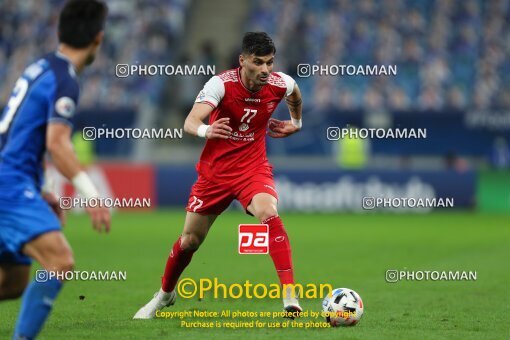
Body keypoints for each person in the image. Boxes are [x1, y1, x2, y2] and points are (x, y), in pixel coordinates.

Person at [134, 32, 303, 319]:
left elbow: (295, 93)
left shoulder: (279, 83)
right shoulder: (220, 85)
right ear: (243, 61)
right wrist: (206, 130)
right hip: (215, 174)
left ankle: (290, 295)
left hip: (252, 168)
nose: (265, 69)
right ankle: (164, 295)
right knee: (190, 241)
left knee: (268, 212)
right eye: (258, 62)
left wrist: (296, 122)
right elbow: (191, 120)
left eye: (270, 63)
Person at [0, 1, 110, 338]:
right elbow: (57, 144)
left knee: (15, 282)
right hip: (9, 184)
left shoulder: (39, 67)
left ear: (60, 31)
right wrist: (91, 195)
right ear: (98, 39)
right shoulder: (65, 80)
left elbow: (17, 134)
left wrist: (43, 188)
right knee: (60, 261)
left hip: (15, 180)